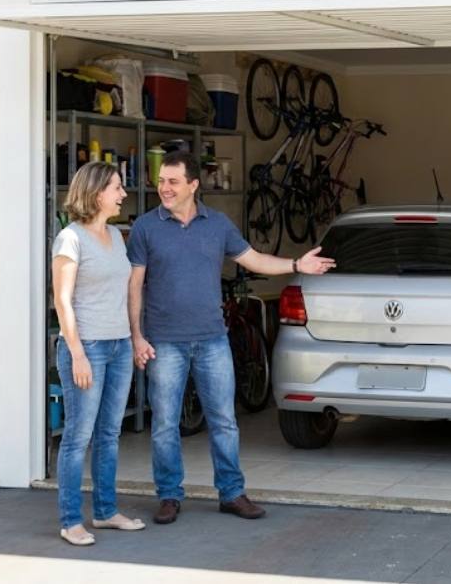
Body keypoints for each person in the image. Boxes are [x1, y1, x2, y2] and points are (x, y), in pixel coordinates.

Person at [127, 150, 335, 524]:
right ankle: (170, 496)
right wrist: (137, 337)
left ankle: (231, 493)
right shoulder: (145, 227)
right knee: (164, 425)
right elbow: (134, 284)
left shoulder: (218, 224)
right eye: (161, 181)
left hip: (211, 340)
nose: (164, 188)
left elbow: (254, 260)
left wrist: (295, 265)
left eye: (173, 181)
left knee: (223, 420)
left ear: (193, 185)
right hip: (165, 341)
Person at [51, 161, 147, 546]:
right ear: (95, 193)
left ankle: (106, 512)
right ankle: (71, 520)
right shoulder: (70, 239)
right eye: (117, 188)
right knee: (78, 436)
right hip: (87, 347)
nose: (123, 194)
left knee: (109, 433)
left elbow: (124, 292)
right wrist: (76, 354)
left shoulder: (116, 236)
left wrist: (134, 337)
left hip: (120, 345)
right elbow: (62, 299)